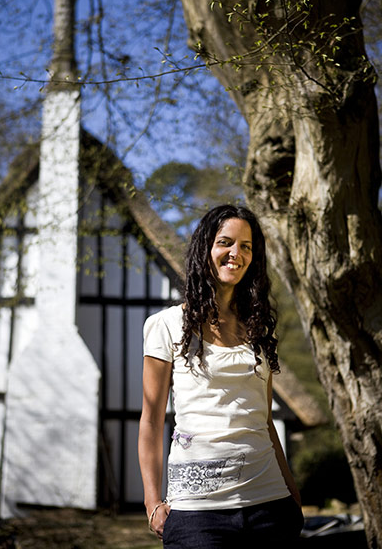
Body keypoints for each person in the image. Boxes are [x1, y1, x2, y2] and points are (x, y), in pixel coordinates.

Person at [138, 205, 304, 548]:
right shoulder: (166, 325)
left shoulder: (258, 328)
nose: (236, 254)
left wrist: (290, 491)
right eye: (225, 242)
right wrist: (153, 502)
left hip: (270, 506)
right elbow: (151, 420)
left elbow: (265, 420)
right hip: (197, 514)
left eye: (246, 246)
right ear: (205, 250)